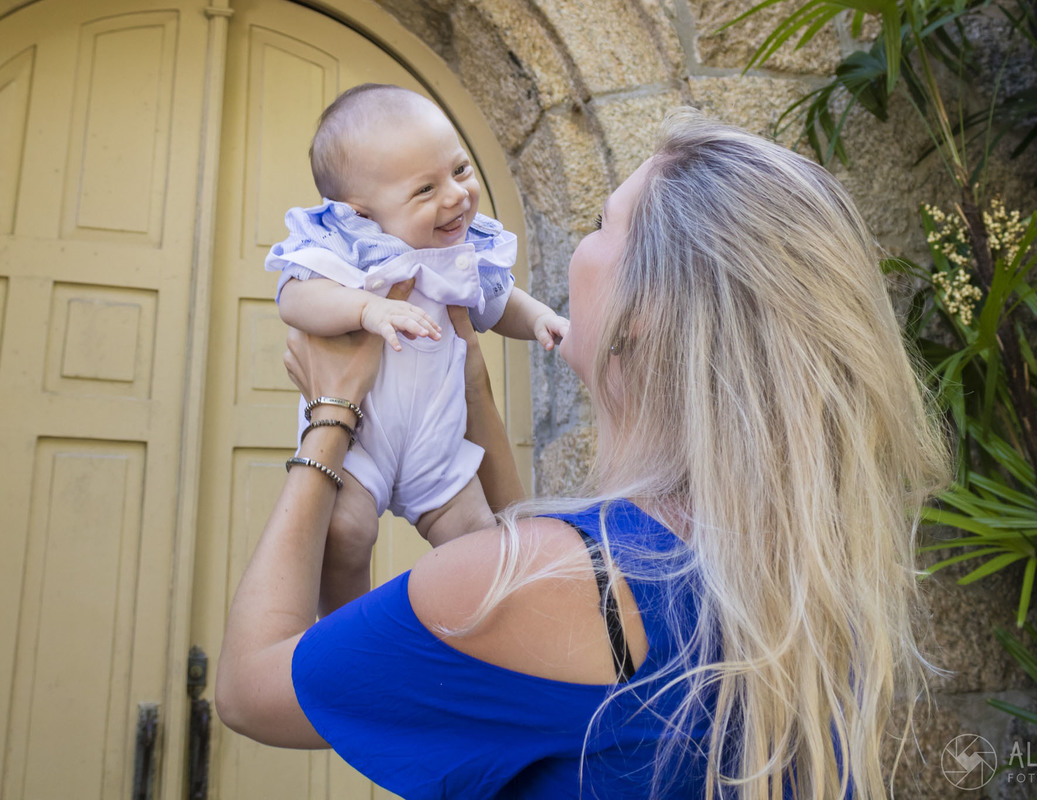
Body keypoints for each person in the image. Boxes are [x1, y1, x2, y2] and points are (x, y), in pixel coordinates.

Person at [217, 109, 950, 799]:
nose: (580, 243)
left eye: (602, 223)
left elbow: (249, 691)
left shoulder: (538, 586)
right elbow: (543, 553)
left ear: (645, 309)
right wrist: (473, 386)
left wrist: (332, 412)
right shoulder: (794, 576)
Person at [266, 84, 568, 613]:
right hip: (361, 440)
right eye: (424, 190)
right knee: (344, 534)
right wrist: (366, 309)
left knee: (480, 540)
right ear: (360, 212)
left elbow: (500, 302)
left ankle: (480, 645)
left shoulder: (463, 249)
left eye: (459, 170)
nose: (455, 196)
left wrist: (541, 317)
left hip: (438, 444)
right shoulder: (351, 249)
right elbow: (295, 297)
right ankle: (343, 634)